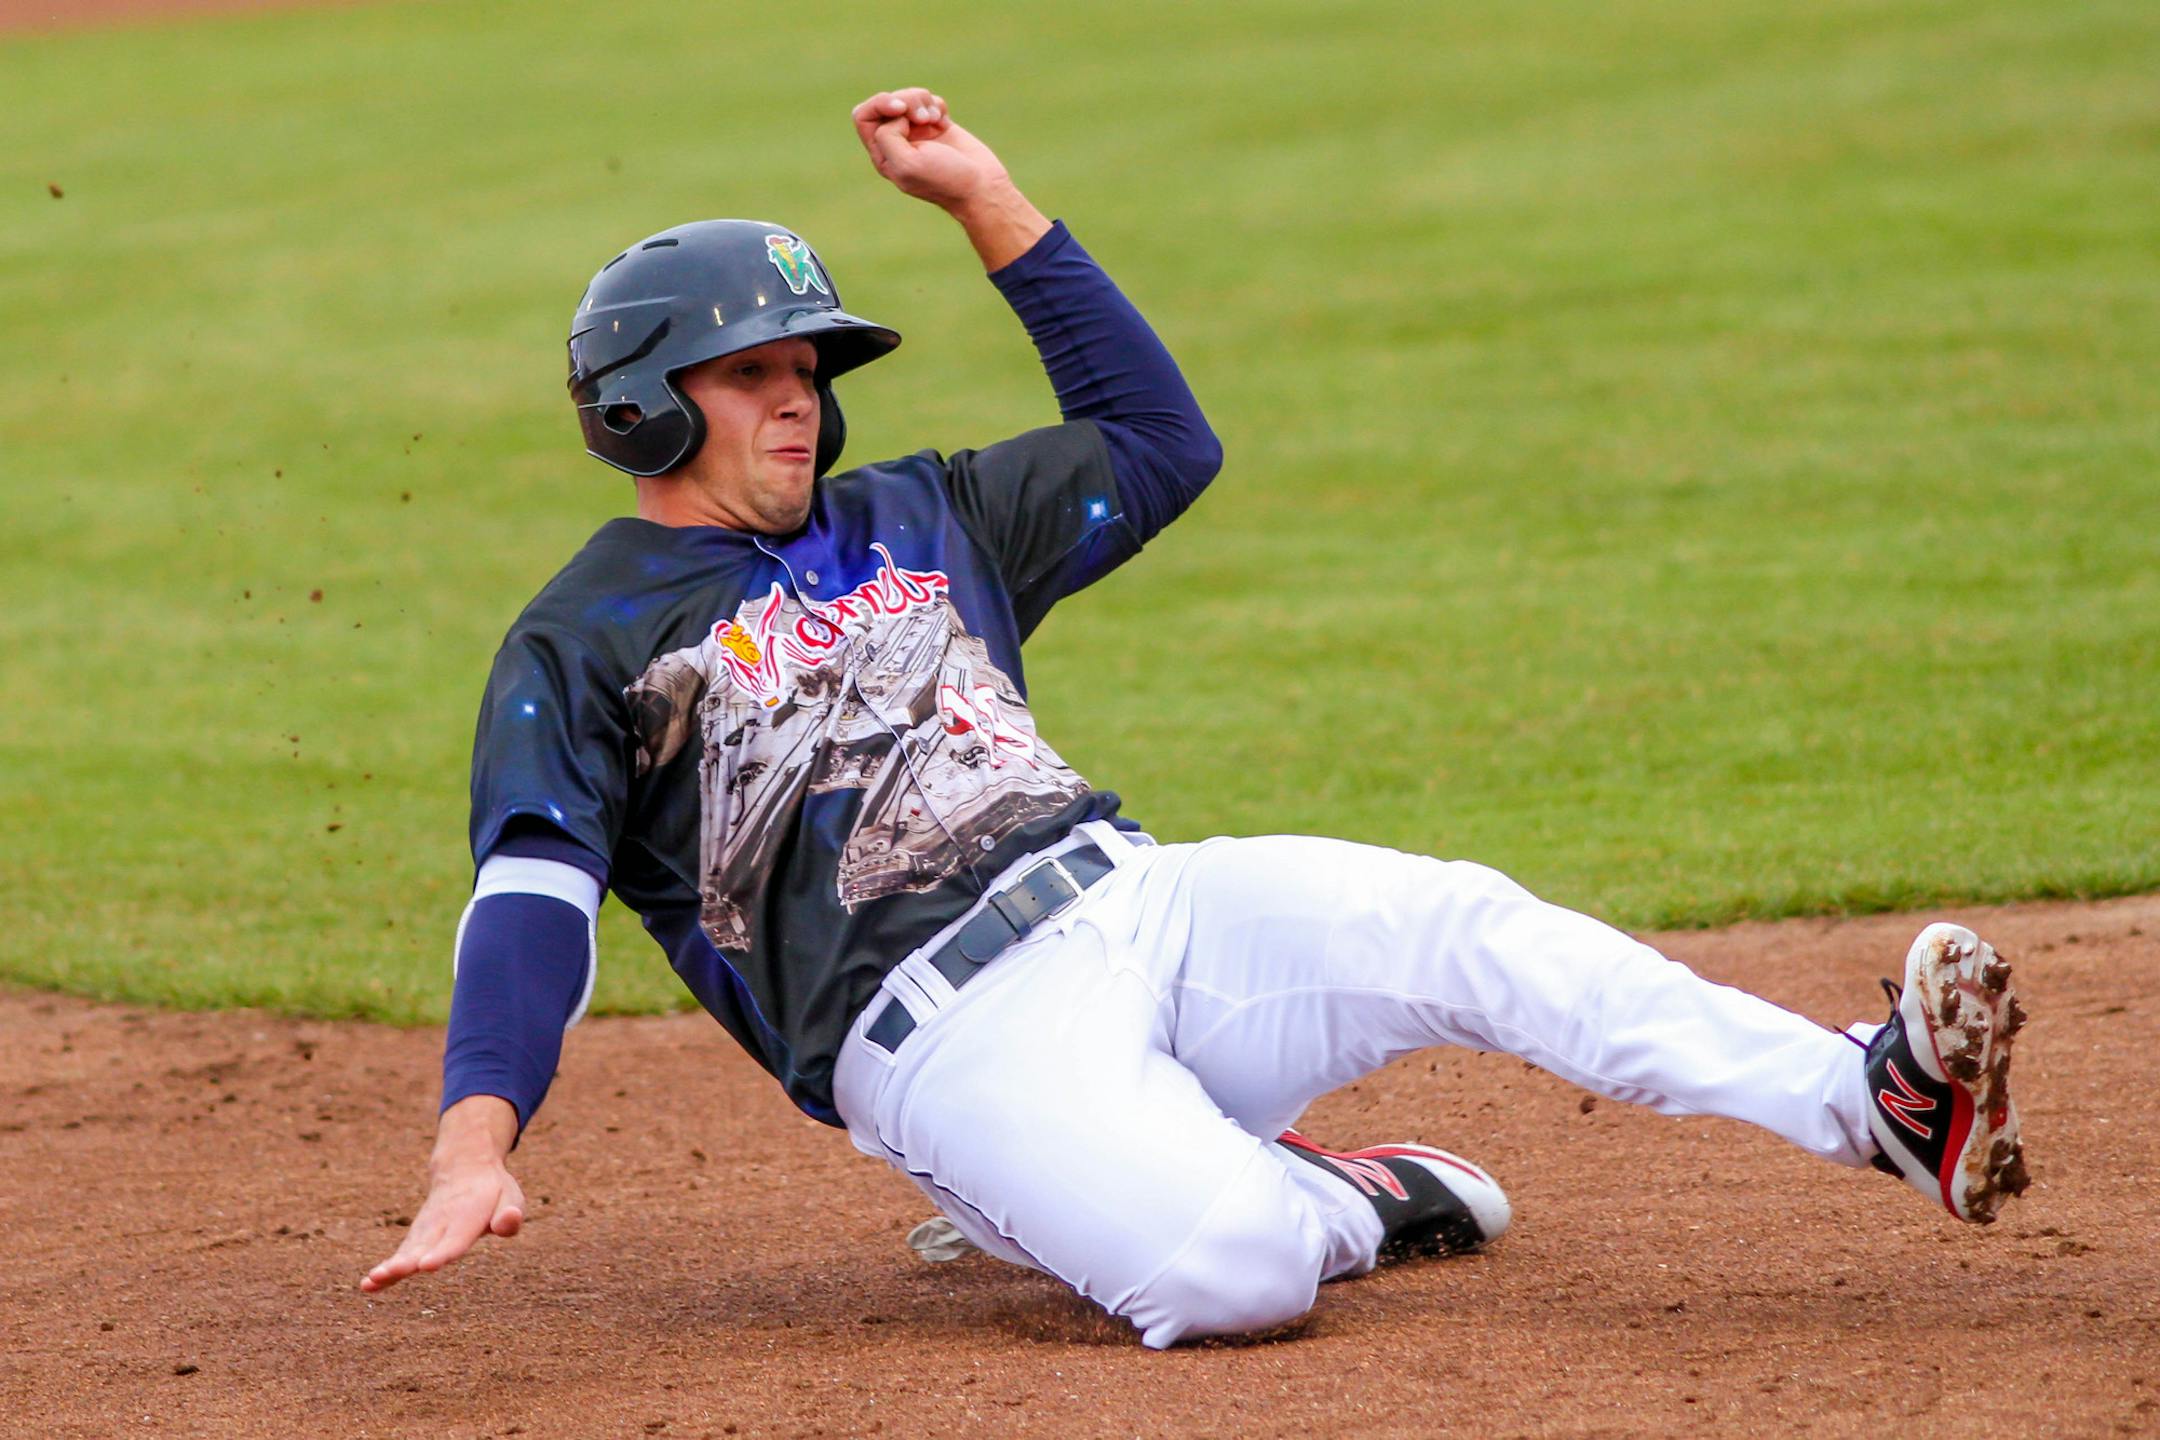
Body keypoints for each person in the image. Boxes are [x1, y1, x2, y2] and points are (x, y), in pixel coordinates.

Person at [361, 89, 2029, 1347]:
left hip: (1141, 905)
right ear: (647, 400)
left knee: (1463, 922)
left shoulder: (917, 514)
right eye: (752, 373)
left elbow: (1160, 441)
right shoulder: (579, 641)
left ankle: (1875, 1099)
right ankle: (1321, 1194)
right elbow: (530, 908)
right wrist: (469, 1150)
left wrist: (986, 201)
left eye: (811, 363)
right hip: (943, 1045)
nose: (798, 392)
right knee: (1236, 1278)